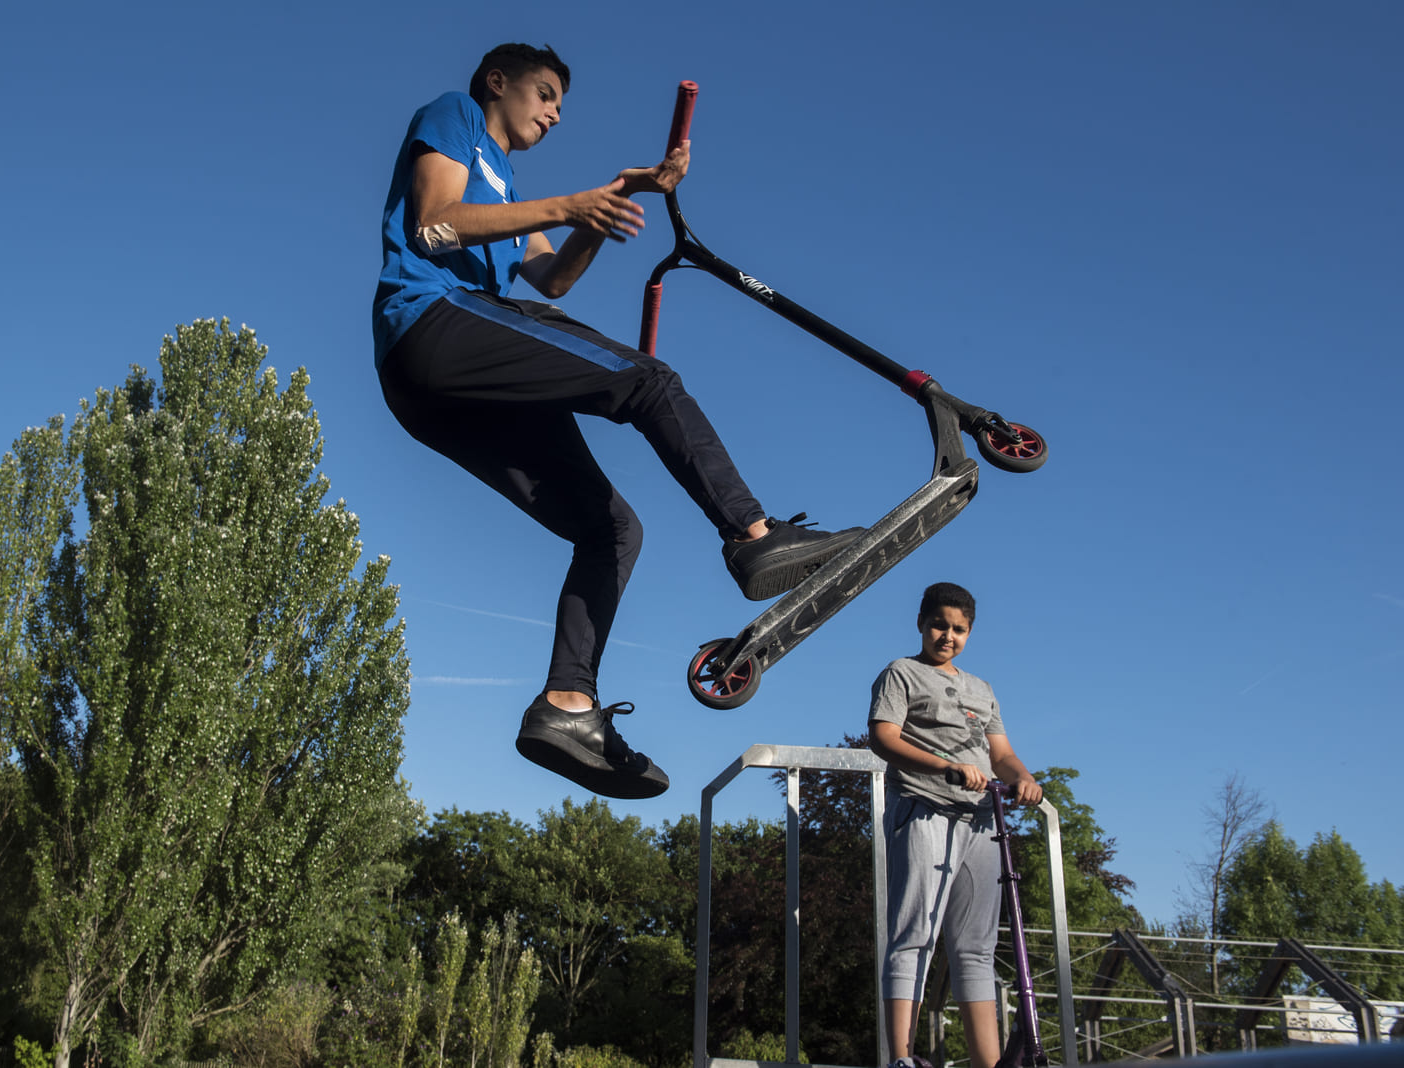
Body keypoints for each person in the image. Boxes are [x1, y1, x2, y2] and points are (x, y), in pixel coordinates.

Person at [373, 43, 862, 801]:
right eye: (543, 93)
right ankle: (755, 536)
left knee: (612, 529)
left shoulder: (508, 192)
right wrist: (570, 204)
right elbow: (435, 224)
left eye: (561, 105)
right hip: (431, 323)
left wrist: (606, 203)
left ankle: (567, 705)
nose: (553, 112)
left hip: (441, 393)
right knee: (646, 380)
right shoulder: (457, 116)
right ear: (498, 82)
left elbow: (556, 277)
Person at [867, 582, 1043, 1068]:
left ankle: (988, 1064)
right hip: (924, 807)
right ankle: (901, 1058)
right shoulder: (901, 674)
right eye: (940, 625)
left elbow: (1000, 754)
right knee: (915, 934)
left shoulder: (981, 689)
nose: (948, 636)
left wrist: (1024, 779)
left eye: (959, 629)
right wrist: (943, 767)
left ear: (969, 632)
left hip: (983, 821)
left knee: (976, 948)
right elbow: (884, 736)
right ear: (922, 622)